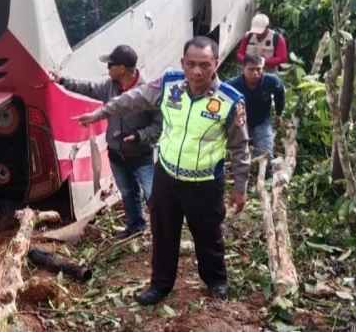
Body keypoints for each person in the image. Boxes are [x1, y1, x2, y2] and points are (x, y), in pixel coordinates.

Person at [75, 36, 249, 304]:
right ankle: (160, 286)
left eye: (204, 65)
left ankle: (216, 280)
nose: (197, 71)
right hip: (166, 177)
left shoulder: (229, 101)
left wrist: (240, 188)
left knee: (208, 234)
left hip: (204, 183)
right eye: (191, 64)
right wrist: (102, 113)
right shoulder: (169, 85)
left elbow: (240, 148)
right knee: (164, 232)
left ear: (215, 64)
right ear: (183, 63)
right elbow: (133, 99)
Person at [55, 45, 160, 239]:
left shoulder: (148, 91)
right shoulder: (109, 86)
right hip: (116, 154)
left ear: (122, 68)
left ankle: (163, 232)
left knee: (152, 195)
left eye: (110, 65)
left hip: (141, 154)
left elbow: (159, 126)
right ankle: (136, 226)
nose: (107, 68)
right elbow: (88, 87)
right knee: (128, 192)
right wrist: (62, 81)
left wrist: (139, 136)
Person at [227, 53, 285, 170]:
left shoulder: (271, 81)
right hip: (240, 123)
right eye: (251, 69)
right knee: (237, 155)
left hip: (262, 121)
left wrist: (279, 114)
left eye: (258, 69)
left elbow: (280, 94)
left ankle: (266, 176)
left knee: (266, 155)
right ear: (243, 69)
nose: (255, 73)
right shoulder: (232, 85)